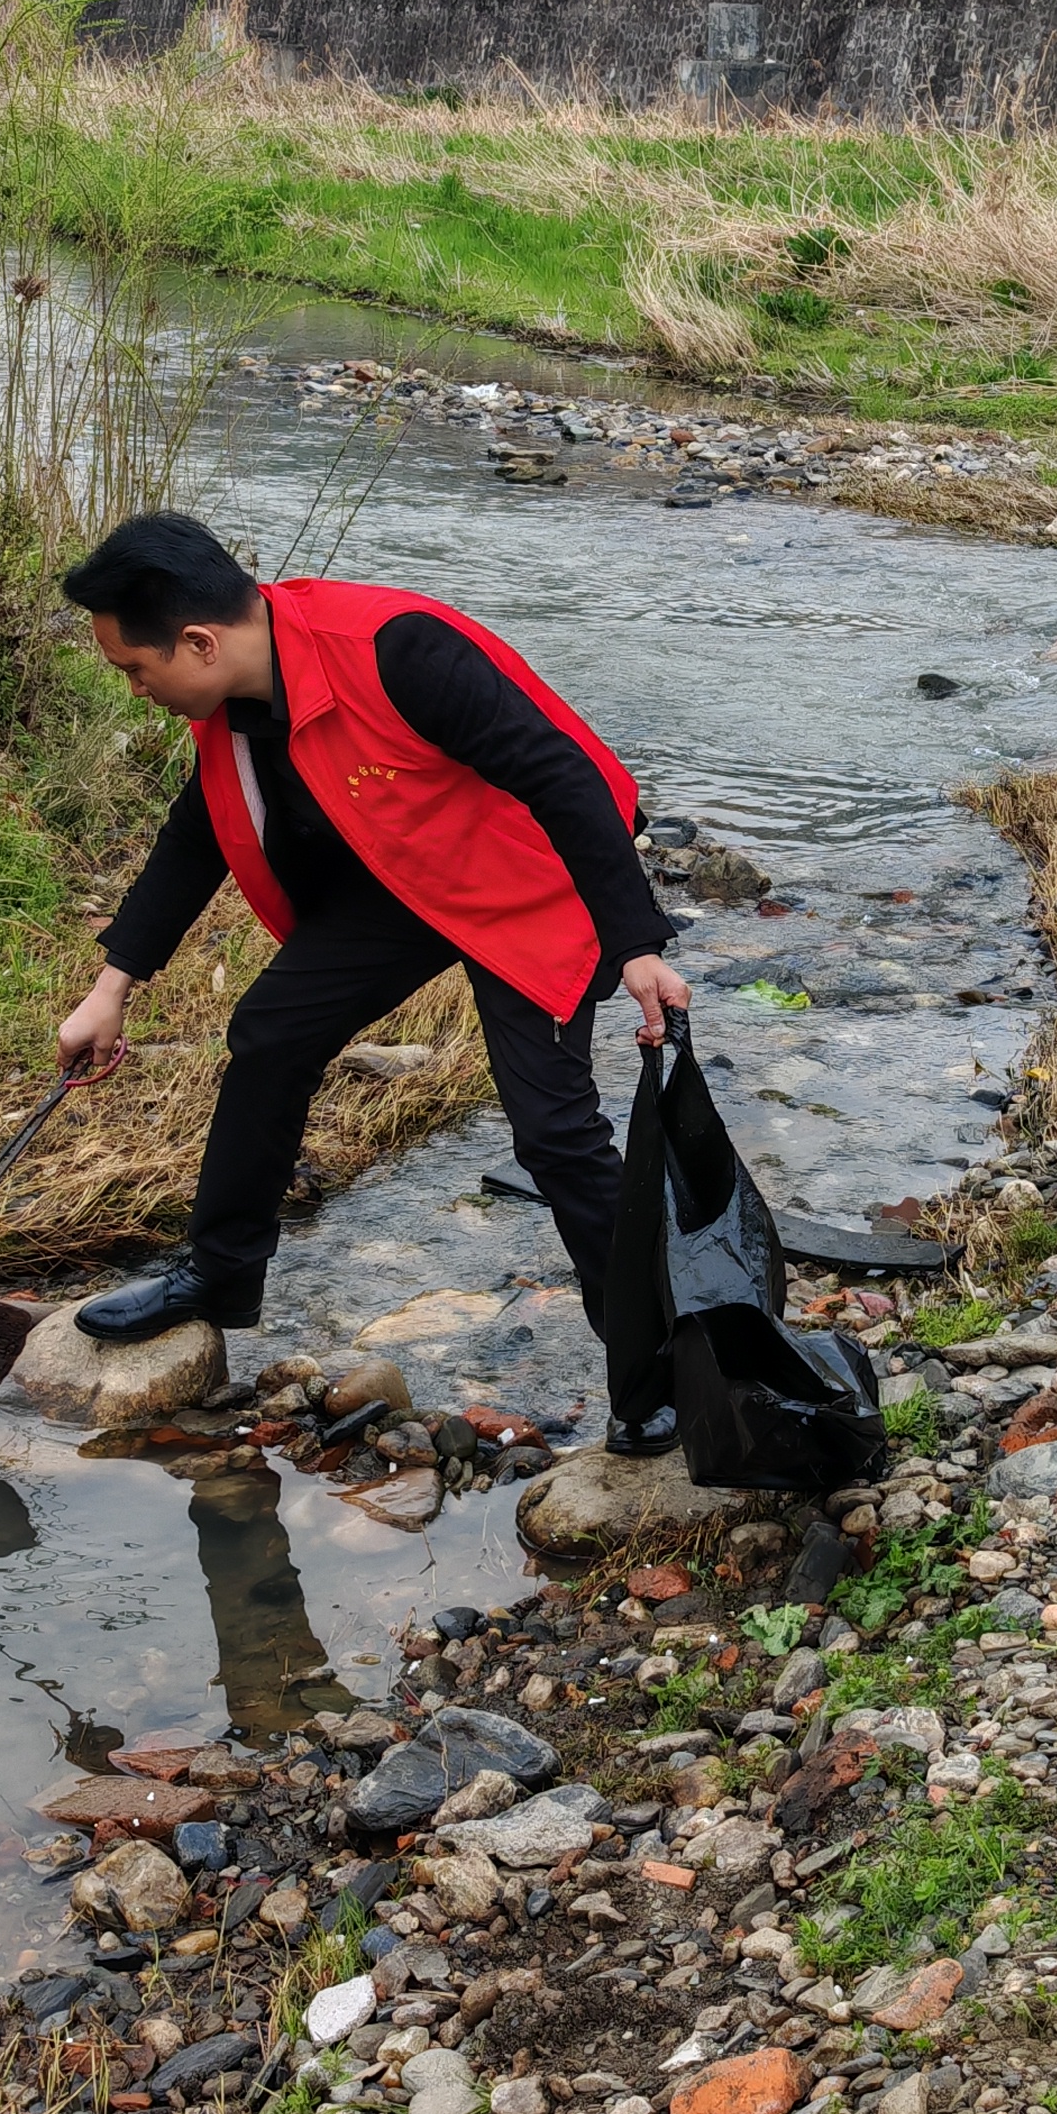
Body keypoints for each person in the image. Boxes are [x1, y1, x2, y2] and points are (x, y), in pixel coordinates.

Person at [52, 514, 696, 1455]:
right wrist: (113, 986)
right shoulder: (234, 705)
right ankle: (222, 1275)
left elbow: (560, 776)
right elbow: (195, 840)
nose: (135, 688)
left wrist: (636, 939)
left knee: (555, 1133)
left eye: (133, 669)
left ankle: (656, 1373)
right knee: (271, 1032)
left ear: (198, 642)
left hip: (534, 875)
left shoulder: (396, 649)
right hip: (411, 880)